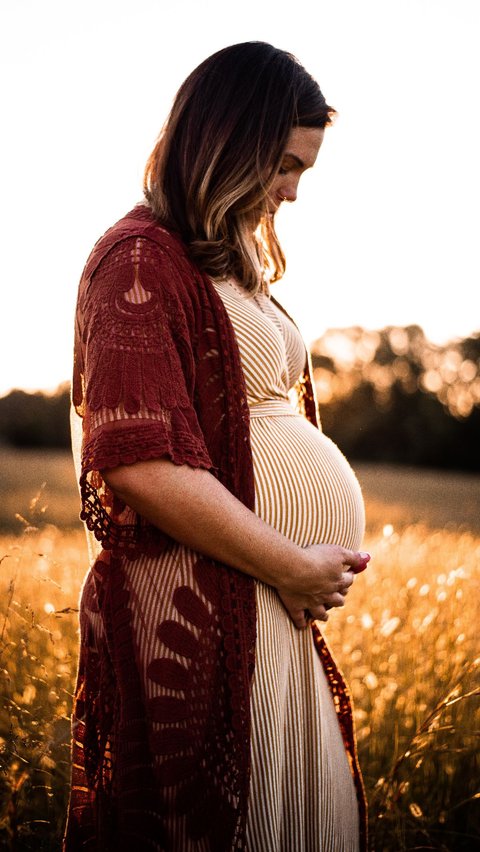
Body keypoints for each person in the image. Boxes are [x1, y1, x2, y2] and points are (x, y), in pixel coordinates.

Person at [65, 41, 371, 852]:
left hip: (267, 604)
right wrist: (287, 563)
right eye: (284, 164)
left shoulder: (225, 261)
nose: (294, 193)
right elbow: (135, 463)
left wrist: (295, 571)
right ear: (226, 141)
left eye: (305, 170)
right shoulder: (137, 260)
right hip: (214, 605)